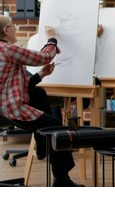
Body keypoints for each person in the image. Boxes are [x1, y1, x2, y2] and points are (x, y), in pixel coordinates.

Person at [0, 15, 84, 187]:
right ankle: (61, 179)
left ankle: (42, 142)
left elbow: (15, 86)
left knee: (38, 94)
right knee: (56, 128)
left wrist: (42, 74)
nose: (15, 28)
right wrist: (52, 38)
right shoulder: (7, 49)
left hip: (5, 105)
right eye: (13, 26)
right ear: (5, 31)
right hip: (10, 108)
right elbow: (43, 57)